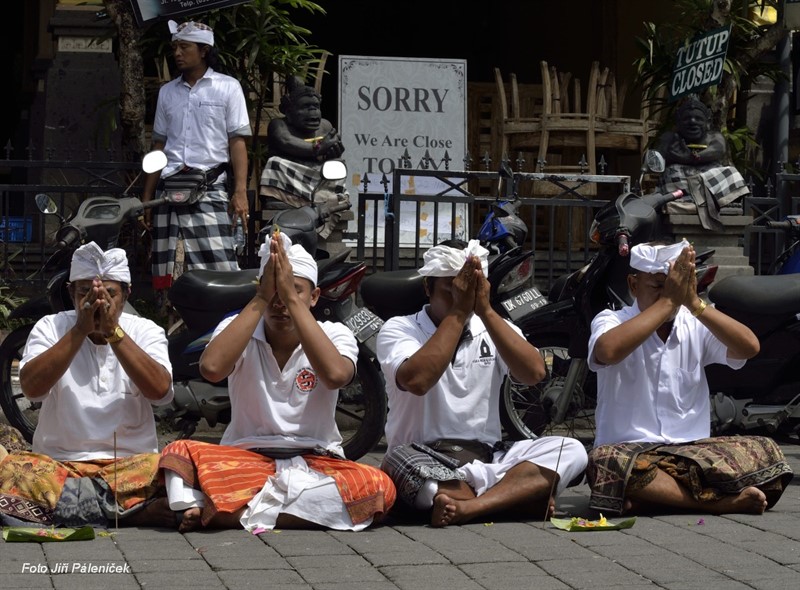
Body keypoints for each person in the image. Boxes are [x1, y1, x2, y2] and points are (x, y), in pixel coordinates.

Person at [158, 233, 396, 532]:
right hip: (246, 461)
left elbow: (337, 376)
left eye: (294, 293)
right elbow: (212, 368)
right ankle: (288, 512)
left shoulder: (334, 333)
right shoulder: (237, 327)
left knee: (378, 486)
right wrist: (261, 297)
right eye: (275, 294)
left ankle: (234, 512)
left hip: (316, 462)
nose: (281, 303)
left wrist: (291, 301)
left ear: (314, 297)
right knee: (178, 453)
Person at [377, 239, 588, 527]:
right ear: (428, 288)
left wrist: (486, 310)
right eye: (450, 290)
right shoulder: (400, 329)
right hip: (423, 456)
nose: (461, 298)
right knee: (399, 464)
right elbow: (417, 380)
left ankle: (470, 506)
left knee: (570, 450)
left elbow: (535, 374)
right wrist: (459, 313)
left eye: (469, 291)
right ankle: (511, 499)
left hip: (486, 459)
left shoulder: (490, 325)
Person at [586, 239, 793, 516]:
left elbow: (749, 347)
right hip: (631, 454)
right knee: (604, 462)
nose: (668, 296)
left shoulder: (692, 320)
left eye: (675, 286)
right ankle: (719, 503)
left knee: (767, 451)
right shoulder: (612, 320)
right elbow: (608, 351)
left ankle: (659, 498)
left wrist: (694, 302)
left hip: (693, 457)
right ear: (634, 285)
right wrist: (669, 301)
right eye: (658, 286)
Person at [0, 242, 175, 528]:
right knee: (13, 472)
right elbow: (32, 389)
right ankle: (128, 511)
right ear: (71, 294)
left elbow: (160, 393)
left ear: (126, 294)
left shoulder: (145, 331)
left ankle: (76, 510)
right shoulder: (49, 327)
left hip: (131, 469)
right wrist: (80, 329)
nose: (98, 304)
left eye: (110, 295)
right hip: (58, 469)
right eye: (85, 294)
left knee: (179, 466)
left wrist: (113, 332)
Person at [142, 19, 251, 294]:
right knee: (171, 272)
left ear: (204, 50)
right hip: (169, 190)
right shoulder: (167, 92)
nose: (177, 53)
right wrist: (147, 198)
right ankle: (174, 326)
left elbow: (237, 143)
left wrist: (240, 192)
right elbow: (159, 147)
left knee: (221, 273)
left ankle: (222, 327)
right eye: (174, 47)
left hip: (210, 189)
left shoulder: (228, 87)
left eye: (184, 47)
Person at [259, 75, 347, 240]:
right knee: (275, 164)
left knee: (336, 166)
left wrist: (332, 152)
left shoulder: (325, 126)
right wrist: (318, 147)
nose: (313, 112)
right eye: (306, 107)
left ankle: (321, 198)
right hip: (288, 180)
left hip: (317, 177)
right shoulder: (279, 125)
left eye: (315, 106)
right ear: (290, 112)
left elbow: (330, 152)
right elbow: (286, 141)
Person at [654, 94, 749, 231]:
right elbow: (658, 157)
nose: (692, 122)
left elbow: (718, 150)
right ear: (678, 122)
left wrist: (691, 157)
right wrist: (675, 156)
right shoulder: (670, 138)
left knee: (730, 172)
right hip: (681, 178)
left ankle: (723, 201)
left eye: (698, 118)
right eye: (687, 118)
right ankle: (686, 202)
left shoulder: (714, 136)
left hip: (709, 175)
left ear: (707, 121)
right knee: (672, 171)